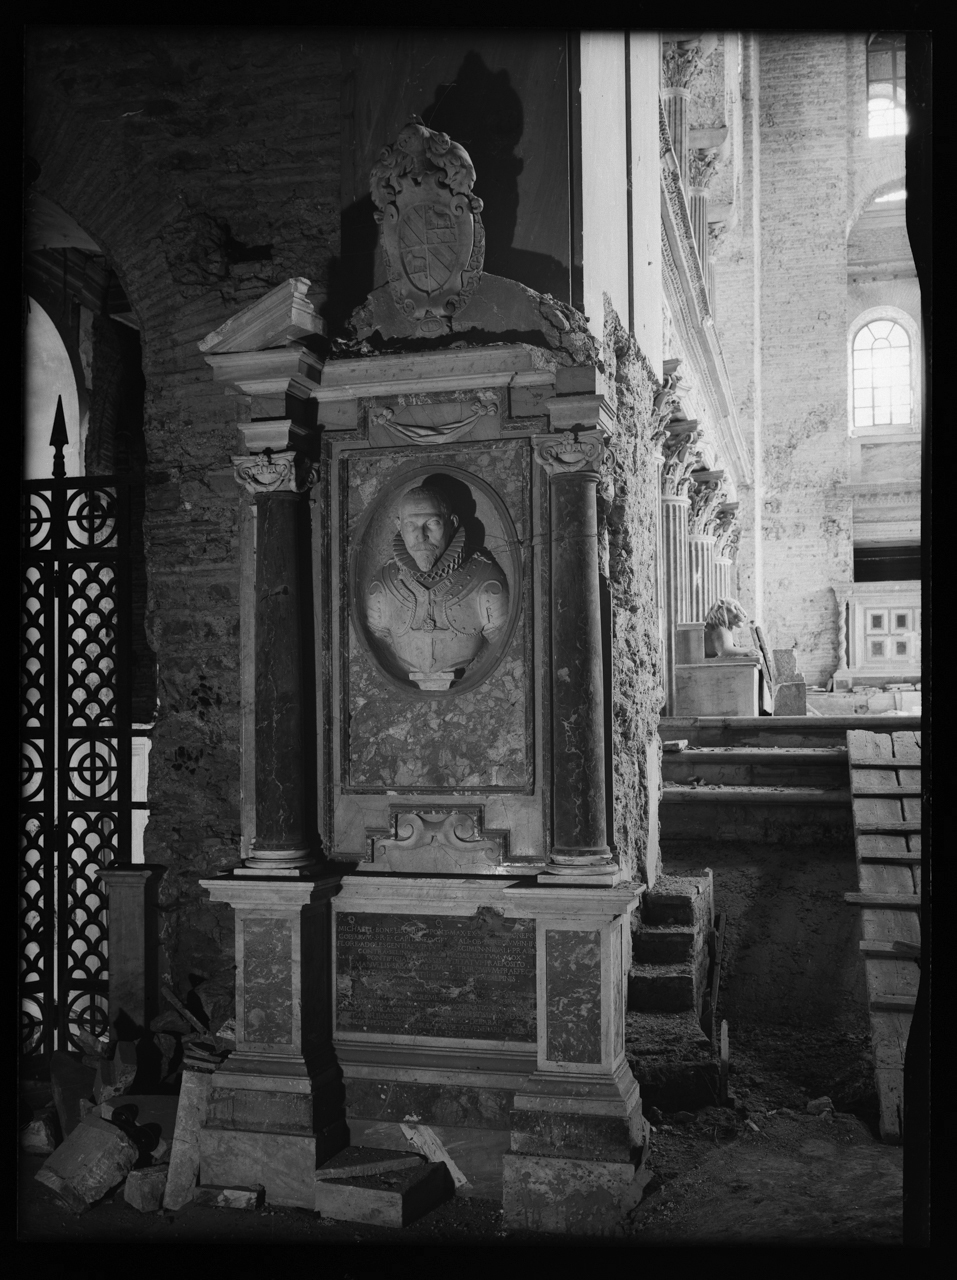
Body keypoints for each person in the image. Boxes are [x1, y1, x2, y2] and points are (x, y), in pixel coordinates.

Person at [365, 483, 509, 690]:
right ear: (399, 526)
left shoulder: (485, 580)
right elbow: (378, 634)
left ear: (452, 523)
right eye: (411, 525)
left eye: (432, 523)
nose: (421, 535)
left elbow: (502, 641)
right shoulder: (383, 586)